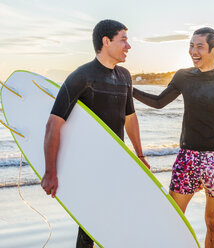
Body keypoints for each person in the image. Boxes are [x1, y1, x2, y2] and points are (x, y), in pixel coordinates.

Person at [133, 27, 214, 248]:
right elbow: (159, 102)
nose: (193, 51)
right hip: (188, 156)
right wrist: (129, 89)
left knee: (213, 222)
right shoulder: (183, 76)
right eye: (191, 46)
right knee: (173, 218)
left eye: (199, 46)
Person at [41, 19, 149, 248]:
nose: (128, 46)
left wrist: (140, 155)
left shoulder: (124, 77)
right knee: (91, 224)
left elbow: (129, 118)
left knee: (112, 220)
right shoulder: (82, 76)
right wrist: (50, 171)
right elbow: (53, 124)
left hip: (116, 162)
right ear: (106, 41)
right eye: (124, 40)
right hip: (88, 164)